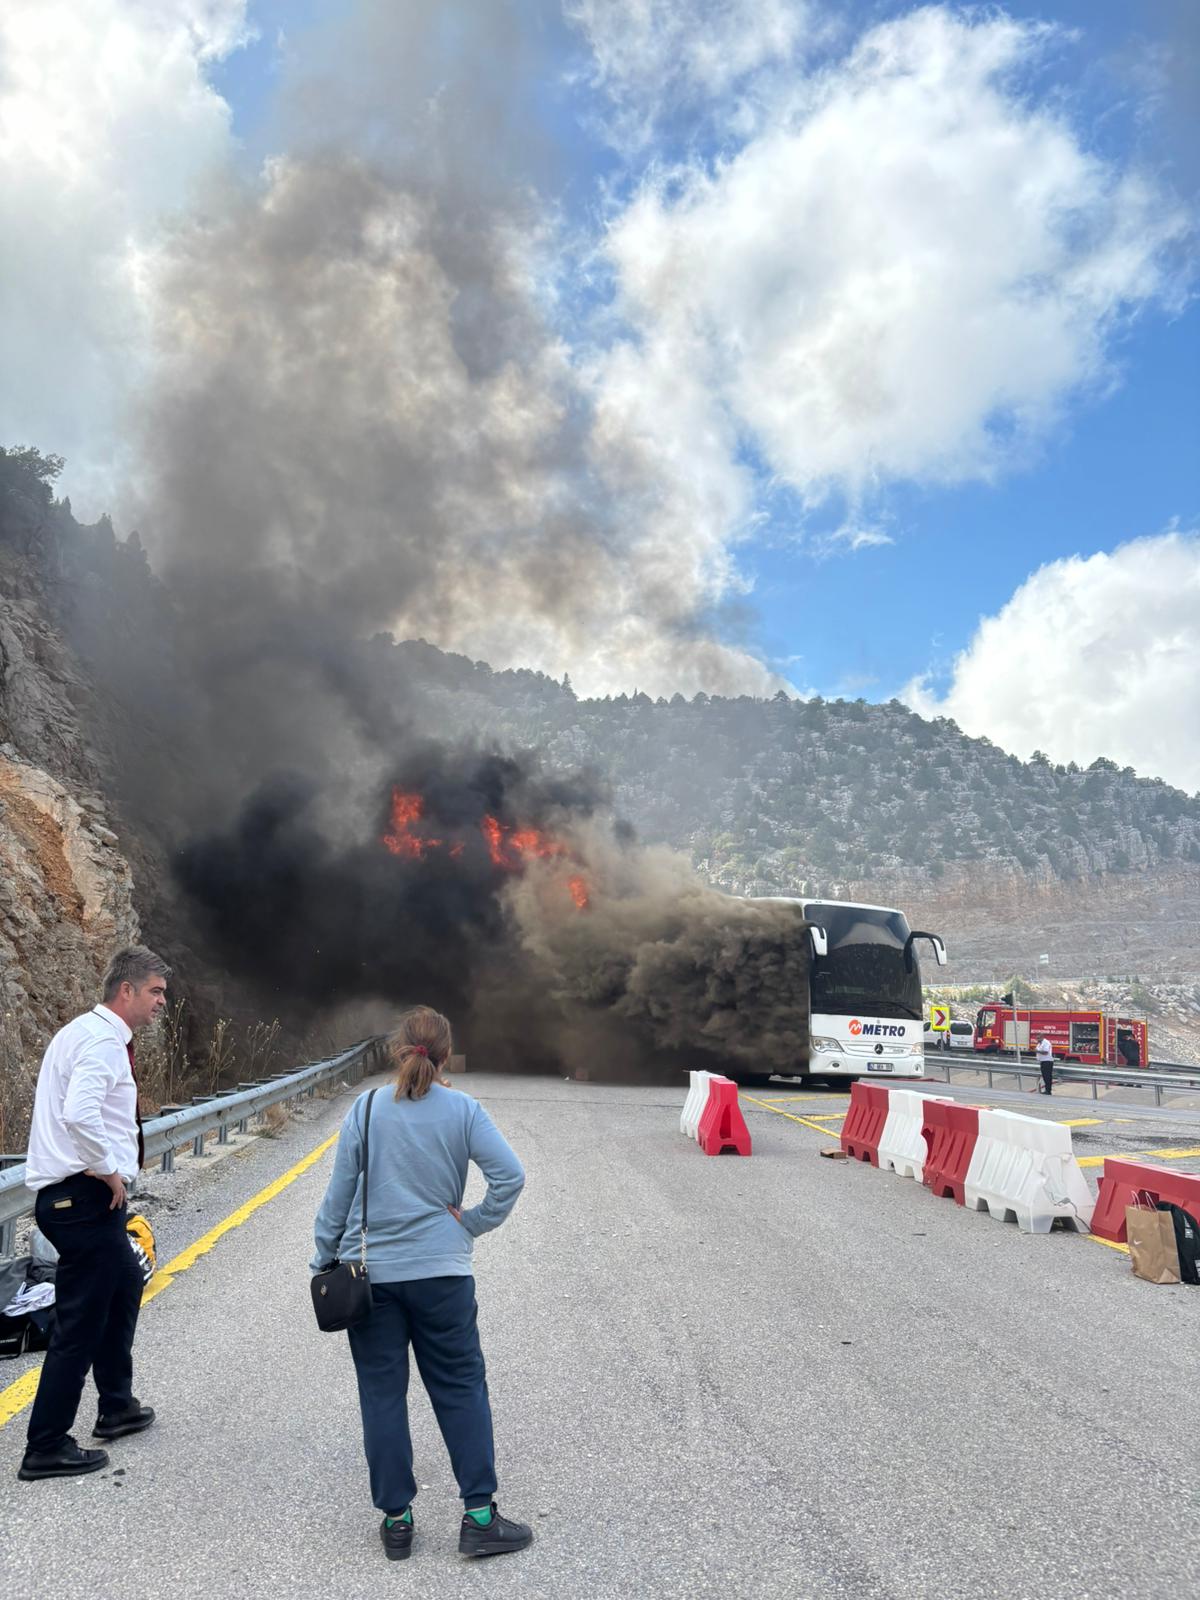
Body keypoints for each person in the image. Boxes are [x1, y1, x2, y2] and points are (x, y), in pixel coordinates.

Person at [313, 1006, 531, 1564]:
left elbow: (339, 1194)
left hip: (374, 1279)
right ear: (446, 1054)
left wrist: (323, 1258)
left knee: (382, 1394)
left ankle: (397, 1523)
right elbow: (510, 1176)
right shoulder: (464, 1110)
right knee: (459, 1387)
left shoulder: (366, 1109)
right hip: (443, 1276)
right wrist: (472, 1224)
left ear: (397, 1050)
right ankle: (479, 1519)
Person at [18, 945, 170, 1482]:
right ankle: (46, 1445)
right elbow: (80, 1114)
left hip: (78, 1198)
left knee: (124, 1283)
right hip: (82, 1197)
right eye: (155, 991)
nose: (162, 1002)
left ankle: (116, 1407)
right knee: (80, 1320)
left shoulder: (82, 1032)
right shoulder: (103, 1041)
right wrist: (108, 1170)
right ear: (126, 990)